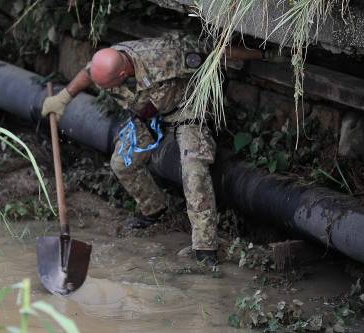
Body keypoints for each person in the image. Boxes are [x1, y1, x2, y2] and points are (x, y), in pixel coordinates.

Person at [41, 32, 284, 268]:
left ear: (123, 72)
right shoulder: (105, 63)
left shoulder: (167, 55)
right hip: (148, 114)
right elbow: (87, 73)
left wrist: (263, 54)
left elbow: (216, 51)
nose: (100, 86)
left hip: (188, 109)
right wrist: (64, 97)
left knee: (194, 170)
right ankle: (154, 209)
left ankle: (205, 248)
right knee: (122, 163)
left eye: (107, 84)